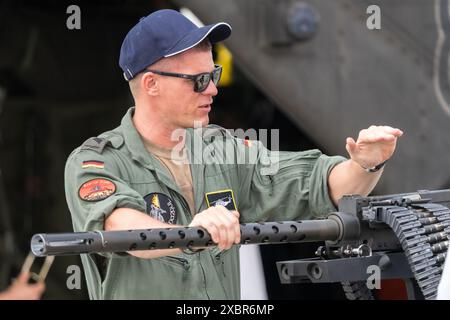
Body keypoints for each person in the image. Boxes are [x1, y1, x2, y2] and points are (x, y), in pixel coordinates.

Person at [64, 9, 403, 299]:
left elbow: (319, 184)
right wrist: (192, 233)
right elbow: (118, 225)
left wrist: (366, 163)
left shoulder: (225, 150)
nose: (212, 89)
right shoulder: (97, 161)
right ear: (152, 84)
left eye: (213, 75)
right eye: (198, 80)